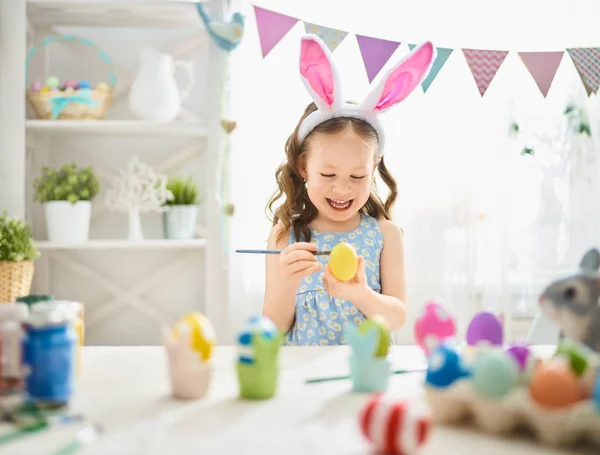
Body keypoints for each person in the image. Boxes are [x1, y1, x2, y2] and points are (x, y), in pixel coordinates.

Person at [262, 34, 436, 346]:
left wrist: (360, 293)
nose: (342, 188)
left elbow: (396, 317)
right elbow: (270, 330)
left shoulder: (386, 234)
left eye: (357, 176)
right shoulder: (283, 235)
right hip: (302, 380)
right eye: (328, 173)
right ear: (303, 167)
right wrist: (287, 283)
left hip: (365, 374)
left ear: (373, 169)